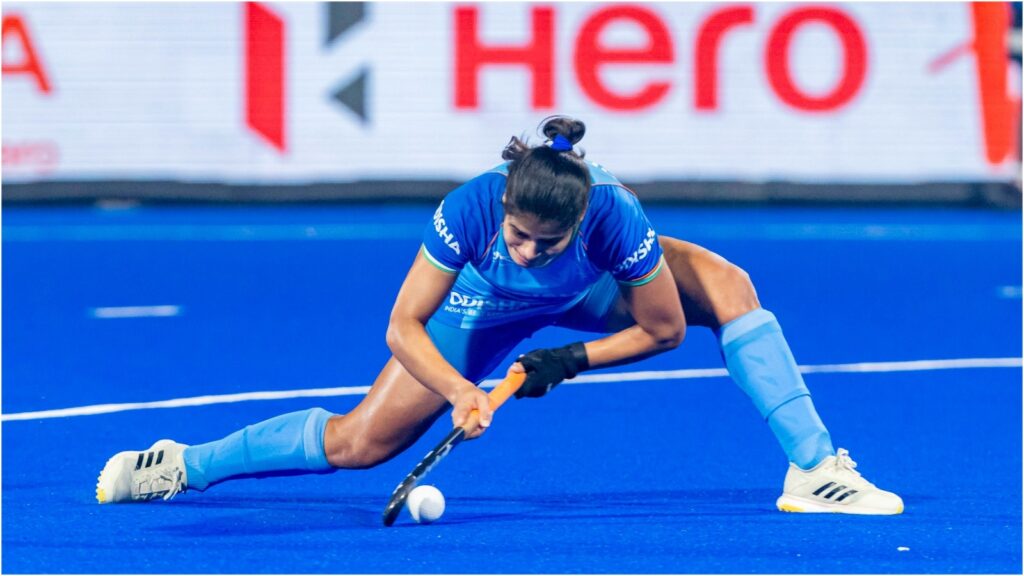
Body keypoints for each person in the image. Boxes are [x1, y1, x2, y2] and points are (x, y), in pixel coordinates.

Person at [96, 116, 902, 515]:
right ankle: (183, 464)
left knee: (729, 284)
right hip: (478, 316)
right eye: (517, 233)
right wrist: (458, 391)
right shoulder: (471, 208)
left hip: (589, 299)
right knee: (357, 444)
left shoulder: (614, 217)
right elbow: (402, 326)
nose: (524, 248)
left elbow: (659, 329)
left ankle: (815, 469)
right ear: (506, 205)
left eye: (544, 241)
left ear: (578, 223)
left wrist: (565, 362)